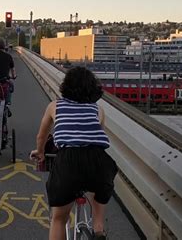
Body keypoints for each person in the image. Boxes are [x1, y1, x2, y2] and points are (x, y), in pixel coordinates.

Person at [30, 67, 117, 240]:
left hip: (68, 161)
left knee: (59, 219)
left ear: (65, 86)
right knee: (98, 189)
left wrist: (40, 152)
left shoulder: (55, 106)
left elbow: (42, 136)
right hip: (98, 161)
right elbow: (99, 136)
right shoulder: (98, 110)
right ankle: (98, 228)